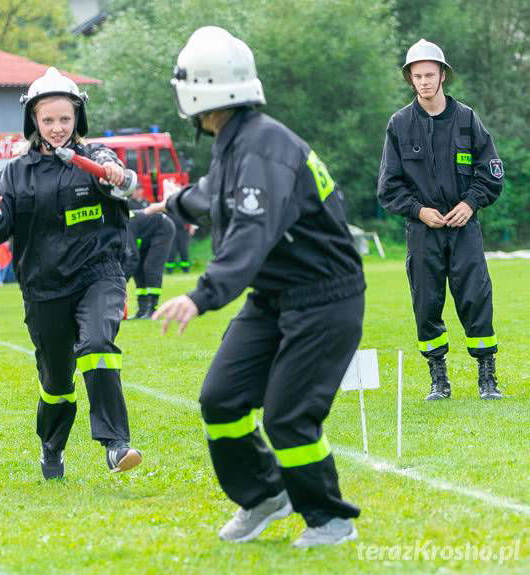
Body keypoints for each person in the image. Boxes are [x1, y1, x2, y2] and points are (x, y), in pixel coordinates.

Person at [152, 27, 365, 547]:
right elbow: (214, 195)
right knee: (221, 399)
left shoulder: (263, 147)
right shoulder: (239, 140)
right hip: (275, 297)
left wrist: (200, 295)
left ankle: (329, 520)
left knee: (288, 417)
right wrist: (171, 205)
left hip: (325, 298)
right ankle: (265, 496)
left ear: (197, 92)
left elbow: (248, 235)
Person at [0, 67, 142, 480]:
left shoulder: (96, 159)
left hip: (99, 275)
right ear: (33, 121)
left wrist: (115, 175)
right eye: (48, 119)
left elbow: (119, 177)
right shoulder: (14, 174)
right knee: (57, 383)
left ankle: (116, 445)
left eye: (65, 119)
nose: (57, 127)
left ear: (77, 119)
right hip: (44, 289)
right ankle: (52, 448)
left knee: (99, 343)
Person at [377, 39, 504, 401]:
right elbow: (388, 187)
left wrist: (471, 202)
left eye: (430, 75)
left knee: (476, 297)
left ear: (443, 75)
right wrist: (418, 211)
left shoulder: (466, 119)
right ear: (410, 80)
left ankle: (487, 378)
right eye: (417, 76)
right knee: (426, 302)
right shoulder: (399, 125)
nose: (424, 82)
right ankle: (439, 380)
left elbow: (491, 172)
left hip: (465, 229)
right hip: (422, 233)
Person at [124, 186, 175, 319]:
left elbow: (132, 257)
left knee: (150, 267)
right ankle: (142, 310)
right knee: (139, 270)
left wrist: (121, 281)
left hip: (163, 229)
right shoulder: (122, 223)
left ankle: (153, 309)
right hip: (148, 234)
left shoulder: (125, 224)